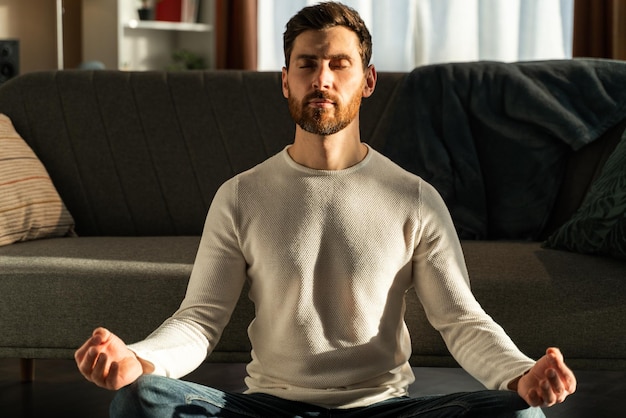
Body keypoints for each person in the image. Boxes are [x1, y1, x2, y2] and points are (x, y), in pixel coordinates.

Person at [75, 2, 576, 417]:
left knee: (522, 414)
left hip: (383, 410)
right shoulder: (241, 195)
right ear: (285, 81)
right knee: (140, 400)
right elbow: (199, 320)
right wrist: (138, 360)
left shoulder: (414, 198)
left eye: (339, 64)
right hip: (269, 409)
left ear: (368, 80)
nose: (323, 79)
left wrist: (519, 373)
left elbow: (462, 321)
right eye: (307, 64)